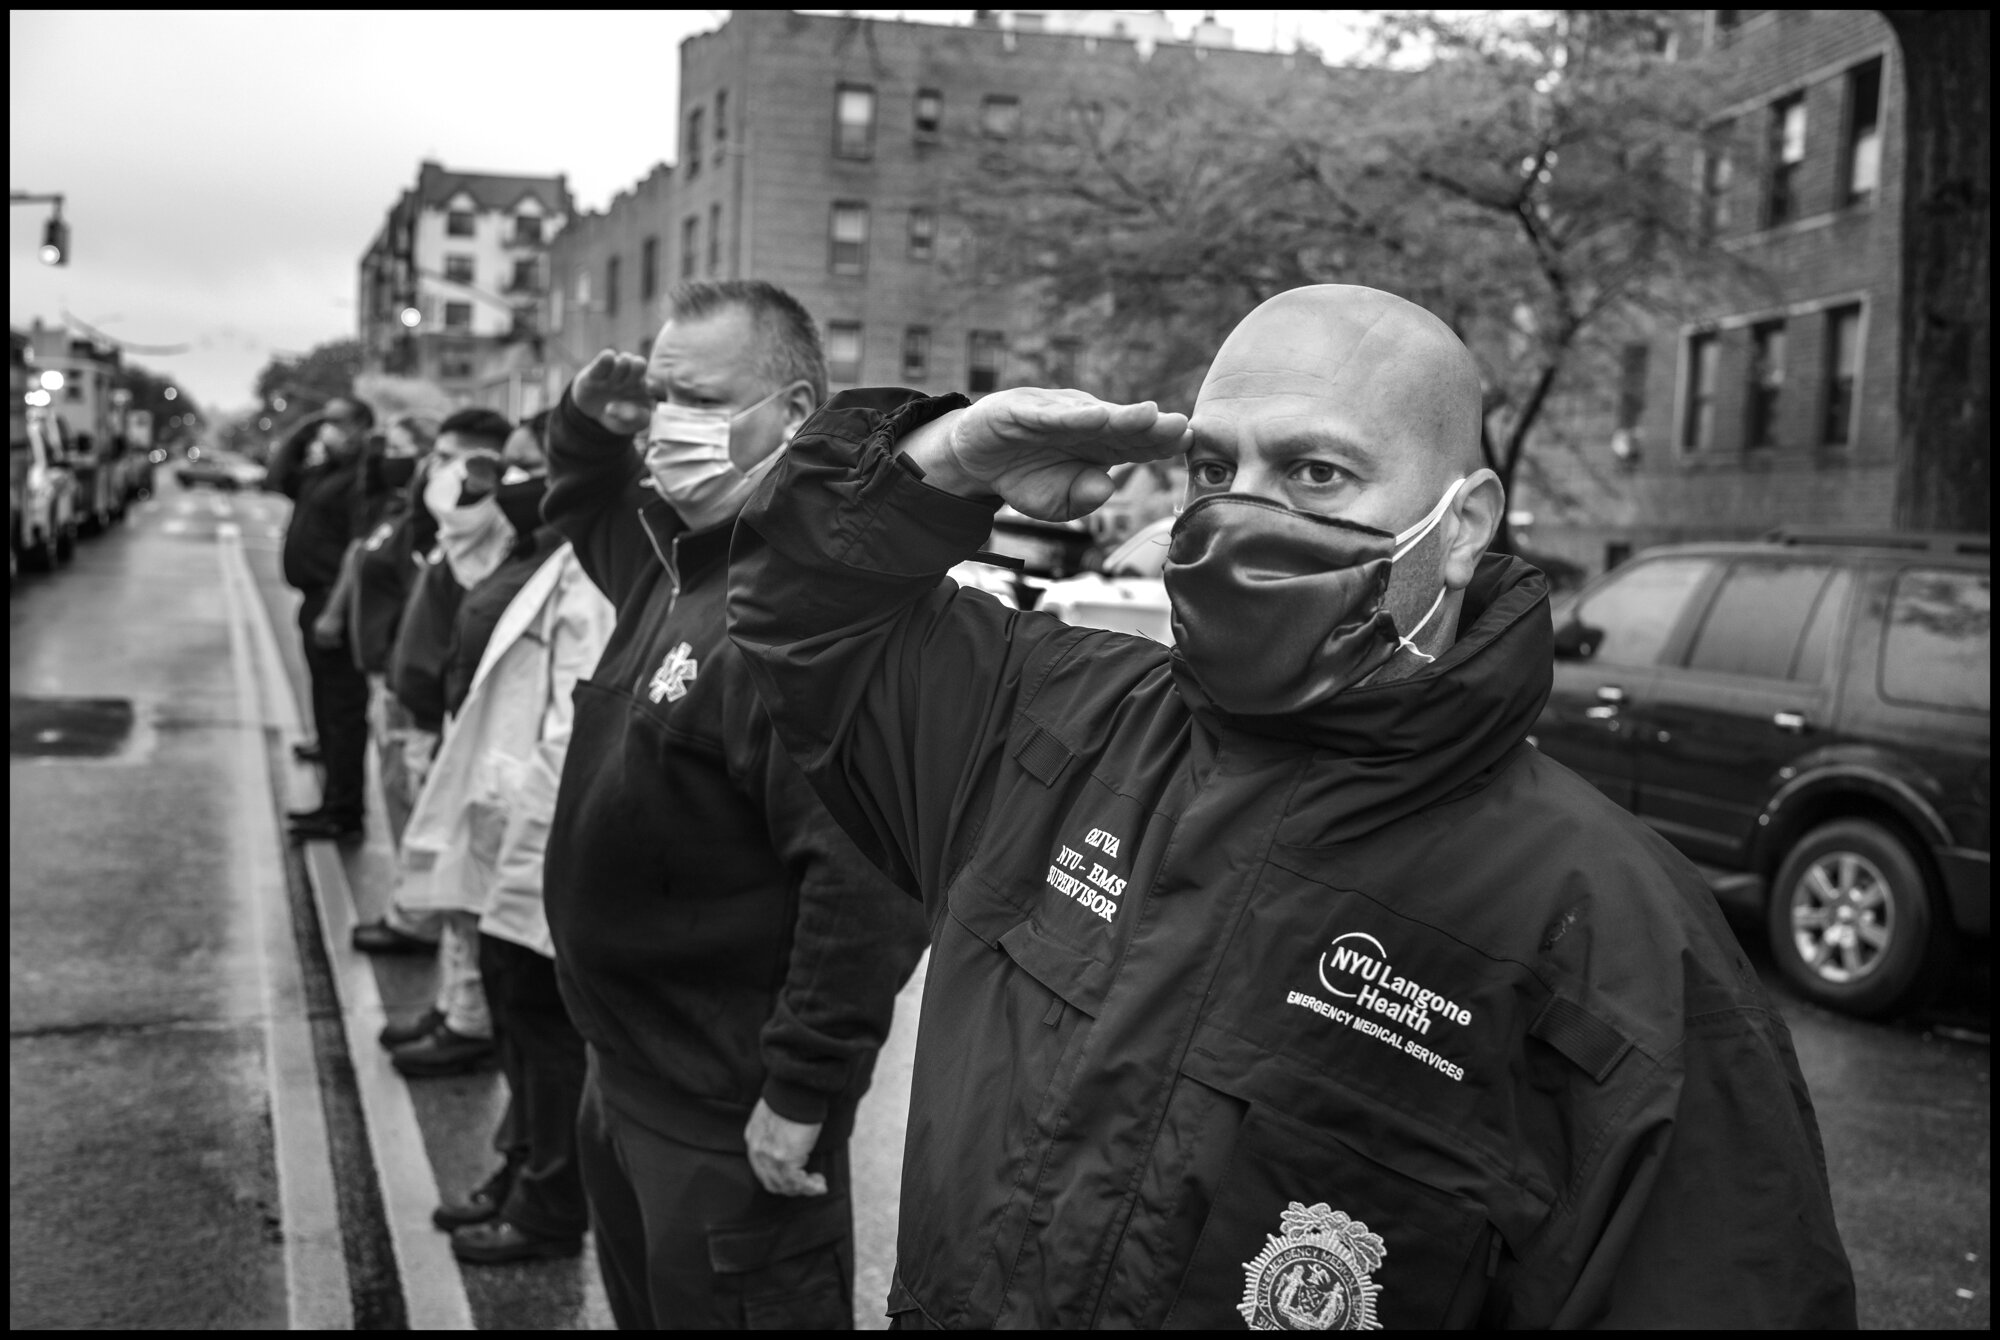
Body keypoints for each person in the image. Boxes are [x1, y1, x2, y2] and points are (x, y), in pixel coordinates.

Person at [725, 284, 1859, 1328]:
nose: (1240, 516)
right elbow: (808, 620)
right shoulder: (1050, 723)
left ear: (1461, 526)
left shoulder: (1612, 934)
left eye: (1316, 472)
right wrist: (943, 458)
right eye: (1213, 470)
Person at [542, 279, 930, 1329]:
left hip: (730, 1120)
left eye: (698, 398)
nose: (670, 425)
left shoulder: (809, 611)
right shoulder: (675, 556)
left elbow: (865, 883)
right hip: (625, 1072)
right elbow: (581, 500)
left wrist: (803, 1091)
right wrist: (586, 419)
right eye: (660, 396)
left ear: (794, 411)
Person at [386, 445, 615, 1262]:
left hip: (540, 834)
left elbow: (571, 725)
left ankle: (549, 1203)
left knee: (544, 1031)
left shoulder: (592, 575)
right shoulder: (555, 557)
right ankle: (518, 1171)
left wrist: (518, 829)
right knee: (517, 1019)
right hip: (505, 819)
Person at [266, 397, 376, 841]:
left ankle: (344, 812)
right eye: (325, 424)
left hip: (336, 604)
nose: (327, 432)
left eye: (337, 423)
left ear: (359, 430)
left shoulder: (361, 479)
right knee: (326, 707)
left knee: (343, 714)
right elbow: (277, 477)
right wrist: (308, 425)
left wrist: (335, 613)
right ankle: (332, 792)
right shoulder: (324, 472)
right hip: (314, 599)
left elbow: (357, 549)